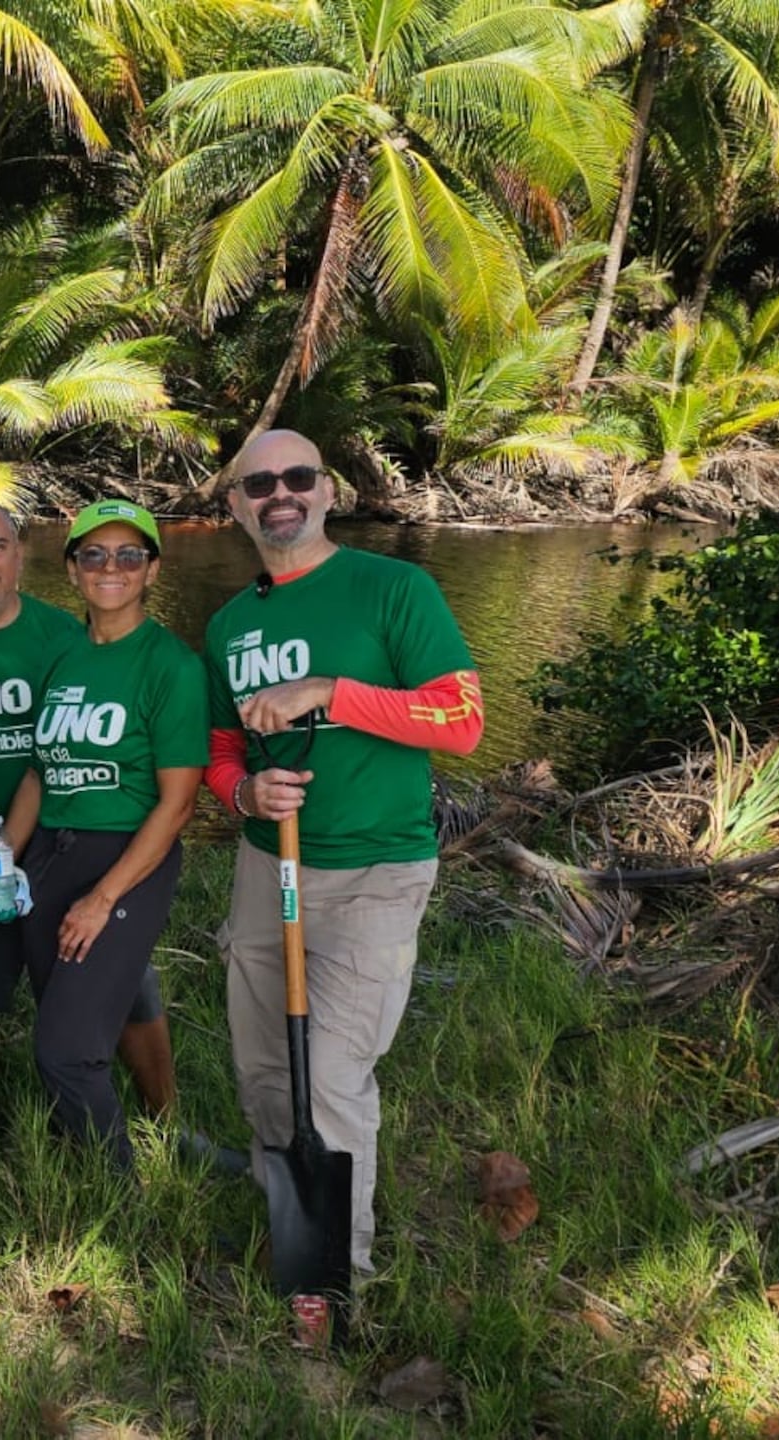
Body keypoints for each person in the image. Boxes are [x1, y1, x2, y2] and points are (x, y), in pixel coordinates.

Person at [202, 430, 482, 1287]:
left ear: (328, 492)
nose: (278, 494)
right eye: (258, 484)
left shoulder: (394, 588)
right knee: (261, 1072)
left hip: (374, 873)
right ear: (236, 505)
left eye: (297, 478)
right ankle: (285, 1206)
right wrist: (245, 797)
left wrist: (330, 694)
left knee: (327, 1076)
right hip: (269, 871)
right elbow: (220, 751)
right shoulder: (229, 623)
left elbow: (461, 720)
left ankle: (335, 1273)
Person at [0, 500, 185, 1124]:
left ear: (21, 556)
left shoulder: (63, 638)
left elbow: (151, 772)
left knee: (127, 994)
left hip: (66, 849)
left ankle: (165, 1121)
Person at [0, 501, 206, 1168]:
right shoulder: (64, 658)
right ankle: (118, 1141)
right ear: (72, 568)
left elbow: (176, 806)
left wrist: (103, 896)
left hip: (124, 859)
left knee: (65, 1050)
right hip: (52, 853)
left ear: (150, 571)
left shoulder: (171, 666)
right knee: (78, 1006)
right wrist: (6, 855)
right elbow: (37, 771)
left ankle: (121, 1191)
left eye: (127, 556)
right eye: (94, 555)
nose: (109, 568)